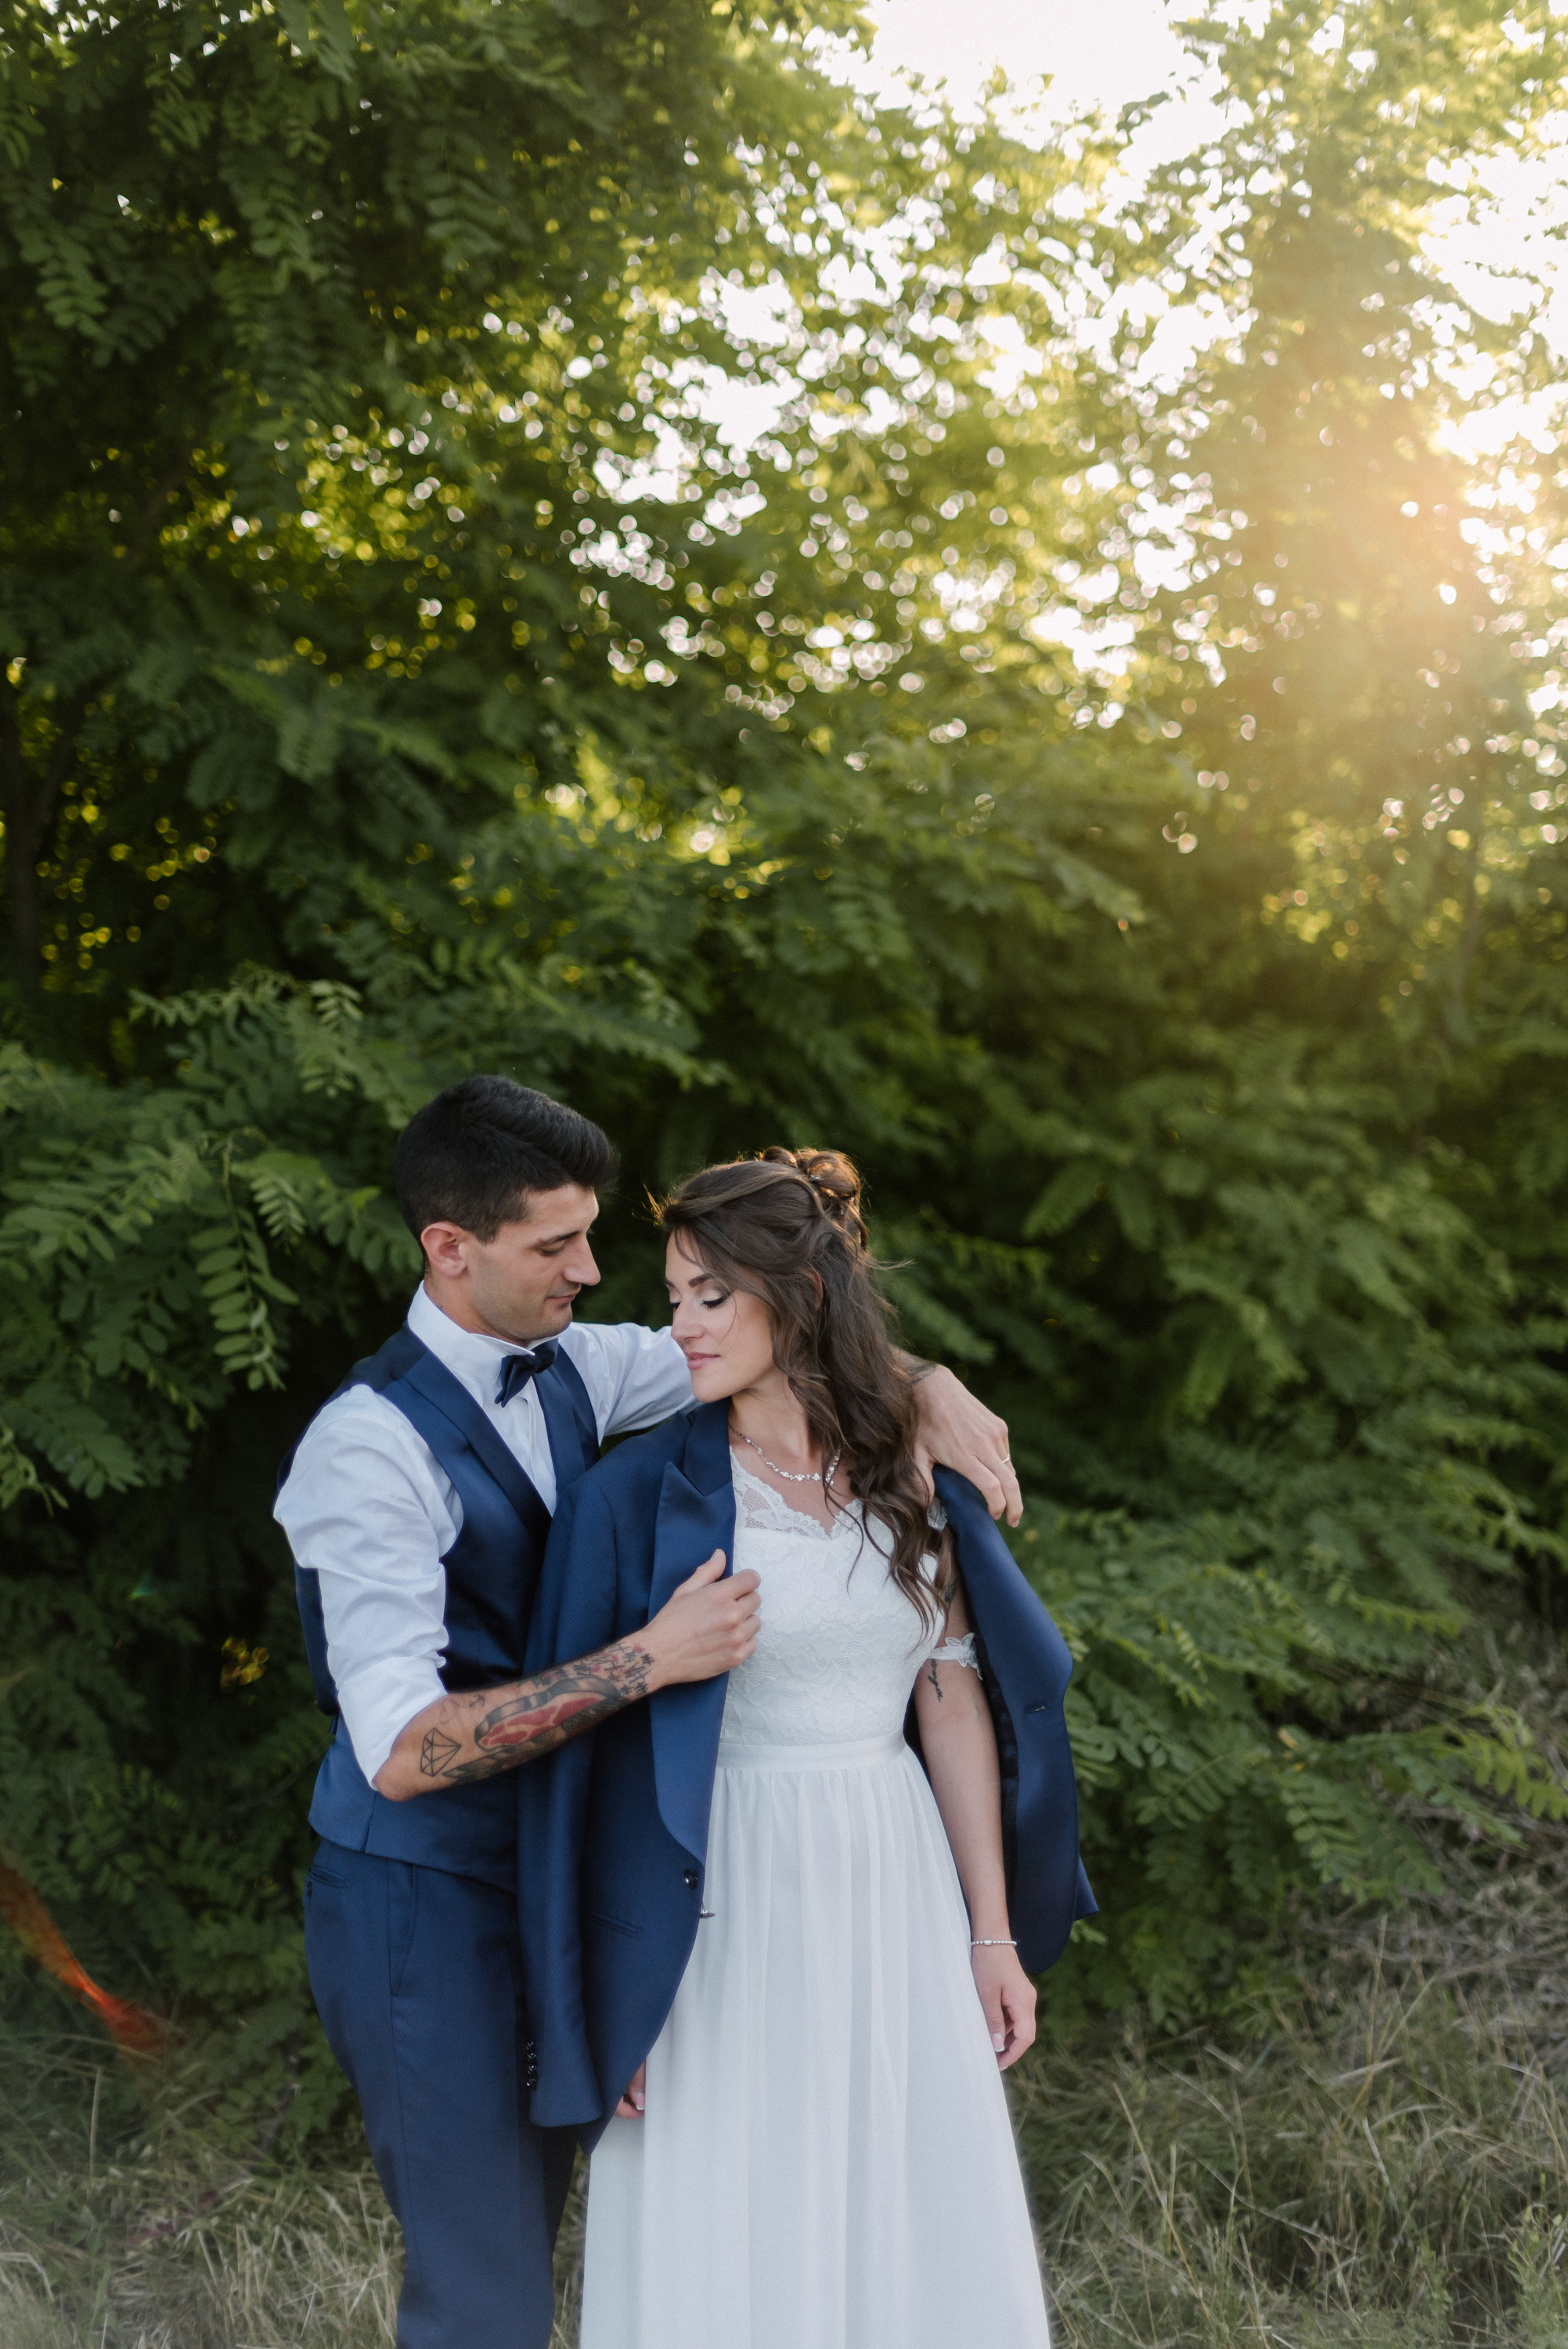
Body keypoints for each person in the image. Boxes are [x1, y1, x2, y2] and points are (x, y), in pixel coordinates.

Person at [274, 1079, 1022, 2349]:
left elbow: (789, 1326)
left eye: (591, 1235)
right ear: (450, 1250)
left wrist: (925, 1376)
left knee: (683, 2208)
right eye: (555, 1245)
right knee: (488, 2292)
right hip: (429, 1903)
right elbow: (401, 1753)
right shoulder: (367, 1452)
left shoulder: (589, 1363)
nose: (592, 1269)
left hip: (595, 1871)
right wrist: (645, 1661)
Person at [518, 1148, 1095, 2349]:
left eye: (710, 1296)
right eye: (674, 1297)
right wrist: (587, 2000)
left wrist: (989, 1935)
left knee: (904, 2205)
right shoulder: (637, 1493)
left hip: (892, 1882)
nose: (680, 1324)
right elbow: (571, 1763)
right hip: (718, 1895)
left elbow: (949, 1703)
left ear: (804, 1293)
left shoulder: (910, 1475)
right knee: (732, 2208)